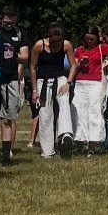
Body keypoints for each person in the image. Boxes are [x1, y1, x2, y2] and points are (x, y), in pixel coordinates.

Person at [29, 24, 73, 157]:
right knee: (45, 114)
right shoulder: (39, 45)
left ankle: (65, 136)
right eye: (54, 42)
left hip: (60, 78)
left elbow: (74, 65)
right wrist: (35, 90)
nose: (56, 45)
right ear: (49, 38)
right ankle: (47, 151)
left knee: (64, 102)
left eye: (59, 42)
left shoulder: (66, 45)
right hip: (43, 81)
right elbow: (32, 67)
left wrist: (68, 83)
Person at [69, 25, 108, 153]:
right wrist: (80, 64)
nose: (89, 41)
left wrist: (105, 64)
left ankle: (94, 143)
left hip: (95, 83)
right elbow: (74, 66)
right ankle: (80, 141)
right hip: (80, 83)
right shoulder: (79, 50)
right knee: (79, 111)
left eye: (92, 39)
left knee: (94, 112)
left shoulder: (102, 48)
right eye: (87, 39)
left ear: (96, 38)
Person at [0, 7, 27, 164]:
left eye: (11, 23)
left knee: (8, 118)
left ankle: (6, 154)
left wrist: (14, 53)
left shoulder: (19, 34)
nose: (8, 25)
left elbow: (25, 56)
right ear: (1, 19)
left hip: (11, 79)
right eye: (6, 22)